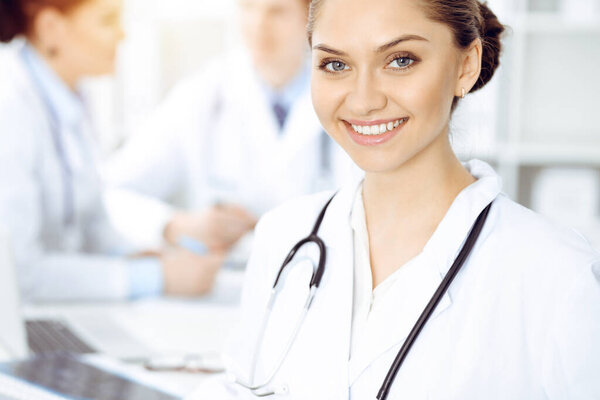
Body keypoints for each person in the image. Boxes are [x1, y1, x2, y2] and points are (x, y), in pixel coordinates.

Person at [186, 0, 600, 398]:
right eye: (336, 64)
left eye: (400, 60)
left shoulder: (557, 273)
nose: (364, 99)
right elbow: (244, 386)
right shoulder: (284, 236)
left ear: (466, 65)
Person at [0, 0, 223, 302]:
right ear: (51, 28)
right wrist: (157, 277)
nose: (122, 35)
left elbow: (91, 222)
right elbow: (19, 275)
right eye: (107, 20)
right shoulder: (10, 105)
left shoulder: (71, 97)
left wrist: (143, 256)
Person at [104, 0, 355, 259]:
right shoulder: (202, 95)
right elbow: (112, 194)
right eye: (248, 8)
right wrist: (174, 225)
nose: (259, 26)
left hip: (321, 281)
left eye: (276, 12)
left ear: (309, 18)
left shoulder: (346, 97)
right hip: (228, 288)